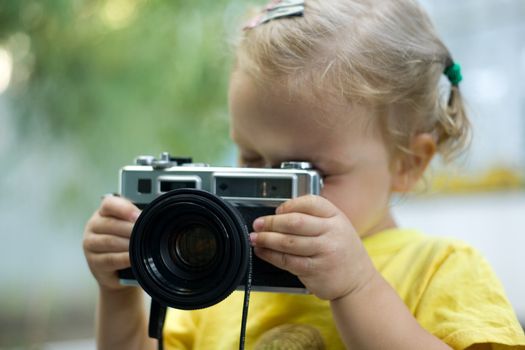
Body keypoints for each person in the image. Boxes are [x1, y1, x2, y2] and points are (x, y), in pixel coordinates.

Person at [82, 0, 525, 349]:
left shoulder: (441, 270)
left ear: (409, 162)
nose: (276, 197)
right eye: (252, 159)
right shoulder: (218, 270)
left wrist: (357, 288)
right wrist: (121, 287)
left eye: (309, 173)